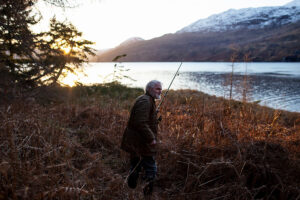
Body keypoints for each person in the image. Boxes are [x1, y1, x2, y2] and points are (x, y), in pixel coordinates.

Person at [121, 80, 162, 196]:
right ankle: (147, 194)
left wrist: (153, 115)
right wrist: (151, 138)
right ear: (149, 89)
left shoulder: (147, 100)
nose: (160, 91)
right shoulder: (145, 101)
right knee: (151, 169)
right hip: (141, 142)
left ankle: (131, 188)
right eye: (157, 89)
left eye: (160, 88)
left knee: (136, 165)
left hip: (137, 141)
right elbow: (140, 123)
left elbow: (143, 119)